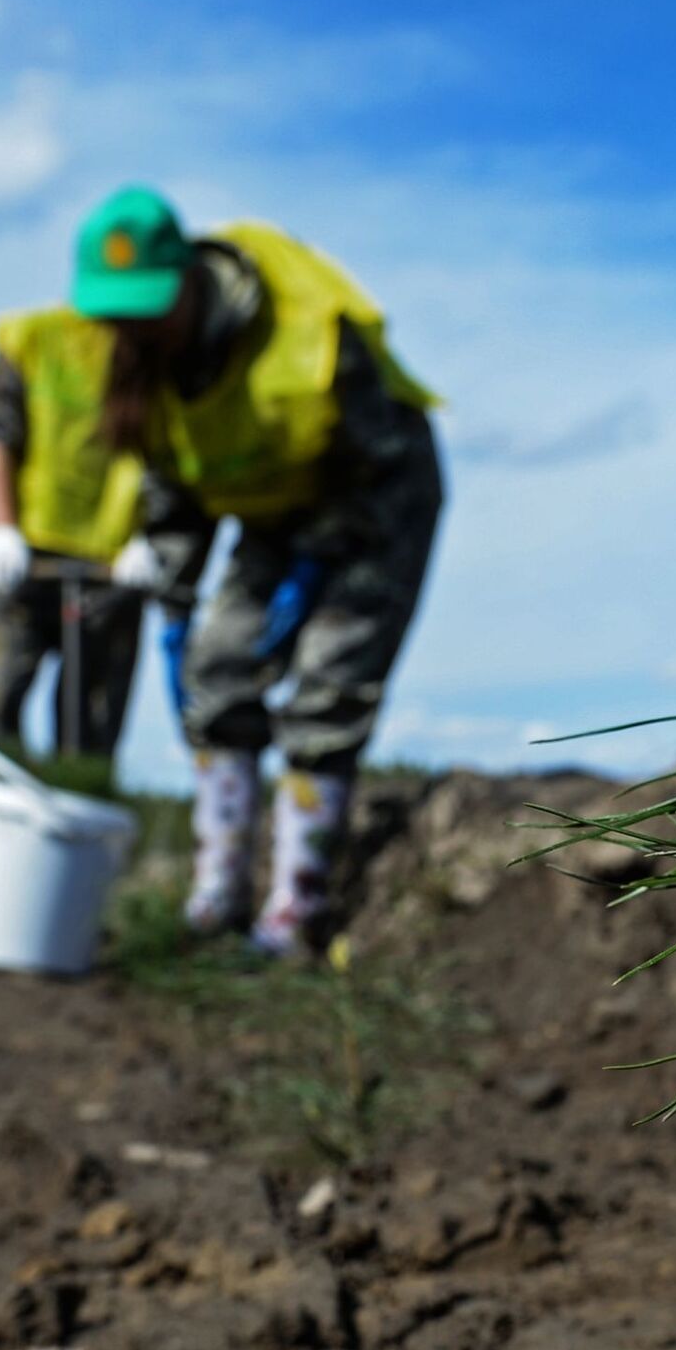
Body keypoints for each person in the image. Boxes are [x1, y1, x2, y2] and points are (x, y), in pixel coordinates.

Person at [69, 183, 444, 957]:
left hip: (376, 497)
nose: (131, 328)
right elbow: (177, 493)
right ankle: (219, 891)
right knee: (219, 669)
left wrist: (317, 567)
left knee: (327, 682)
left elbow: (377, 461)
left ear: (188, 283)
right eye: (116, 313)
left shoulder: (310, 338)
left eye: (146, 308)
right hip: (273, 508)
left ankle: (296, 907)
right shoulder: (148, 368)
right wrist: (174, 605)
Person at [0, 305, 155, 763]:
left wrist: (152, 536)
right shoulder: (31, 340)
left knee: (90, 721)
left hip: (117, 567)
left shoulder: (162, 353)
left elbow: (177, 455)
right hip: (27, 557)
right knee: (0, 693)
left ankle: (82, 798)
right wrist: (1, 526)